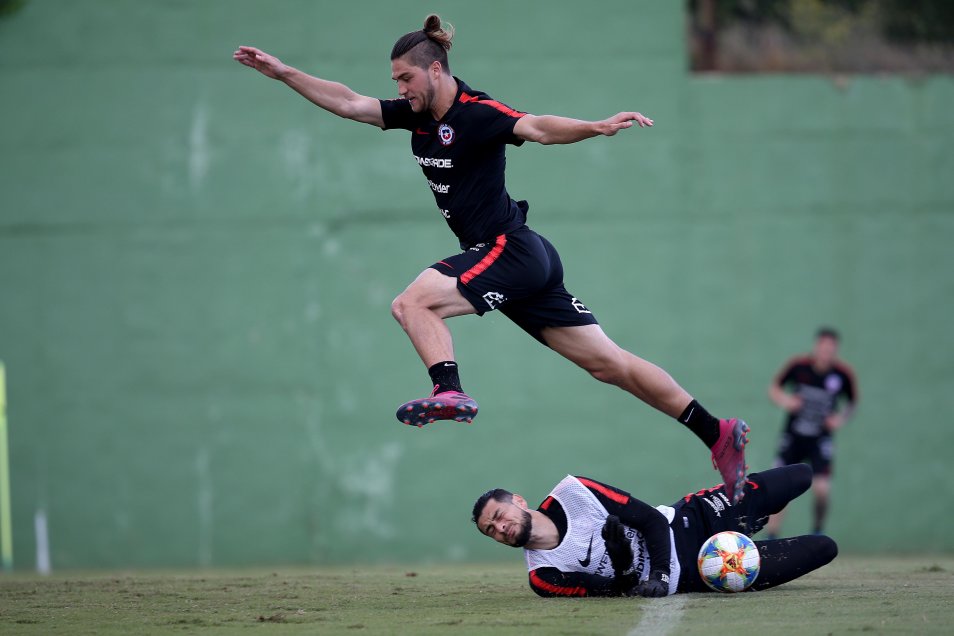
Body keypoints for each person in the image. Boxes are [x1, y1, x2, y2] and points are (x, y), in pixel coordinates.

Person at [233, 15, 749, 501]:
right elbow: (348, 103)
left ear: (436, 69)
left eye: (406, 78)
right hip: (521, 257)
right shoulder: (412, 117)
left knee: (412, 304)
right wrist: (281, 73)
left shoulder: (477, 113)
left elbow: (538, 127)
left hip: (509, 250)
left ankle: (449, 390)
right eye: (394, 81)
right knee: (609, 364)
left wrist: (597, 126)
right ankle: (717, 432)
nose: (400, 90)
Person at [471, 463, 838, 597]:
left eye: (500, 515)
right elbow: (617, 590)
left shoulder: (574, 491)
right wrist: (625, 563)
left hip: (692, 519)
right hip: (701, 572)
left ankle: (749, 519)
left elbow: (648, 518)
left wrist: (658, 572)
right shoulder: (544, 576)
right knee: (824, 548)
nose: (501, 527)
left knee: (801, 475)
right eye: (492, 530)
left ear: (518, 501)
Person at [765, 327, 858, 537]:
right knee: (780, 488)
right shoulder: (799, 367)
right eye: (822, 347)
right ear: (816, 347)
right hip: (793, 437)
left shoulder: (842, 375)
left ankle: (817, 530)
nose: (826, 352)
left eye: (830, 348)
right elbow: (774, 388)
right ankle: (771, 535)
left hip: (820, 439)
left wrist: (840, 419)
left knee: (822, 489)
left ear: (835, 350)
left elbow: (852, 403)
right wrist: (786, 401)